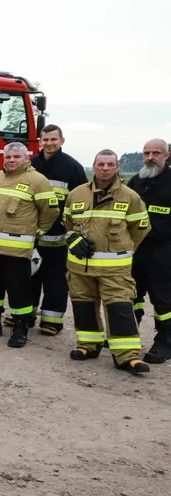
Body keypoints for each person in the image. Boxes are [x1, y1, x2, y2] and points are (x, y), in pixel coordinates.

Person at [63, 150, 150, 374]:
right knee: (83, 306)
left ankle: (127, 356)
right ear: (93, 166)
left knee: (120, 309)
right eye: (100, 164)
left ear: (117, 167)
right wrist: (72, 238)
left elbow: (139, 231)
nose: (104, 168)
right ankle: (88, 346)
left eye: (110, 164)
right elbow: (68, 223)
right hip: (80, 267)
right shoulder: (76, 194)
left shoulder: (130, 197)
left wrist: (122, 251)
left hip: (115, 270)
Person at [0, 142, 58, 347]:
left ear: (27, 158)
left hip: (18, 249)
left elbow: (51, 212)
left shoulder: (38, 180)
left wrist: (37, 232)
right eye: (8, 157)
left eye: (16, 157)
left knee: (19, 291)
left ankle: (20, 327)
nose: (11, 160)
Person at [27, 124, 88, 335]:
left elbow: (82, 201)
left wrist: (75, 230)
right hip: (31, 234)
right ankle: (26, 315)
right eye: (45, 140)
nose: (49, 143)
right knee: (28, 277)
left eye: (53, 139)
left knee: (55, 280)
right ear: (40, 141)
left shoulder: (73, 167)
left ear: (62, 141)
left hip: (58, 236)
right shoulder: (31, 164)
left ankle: (51, 321)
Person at [127, 139, 171, 364]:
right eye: (146, 153)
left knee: (163, 301)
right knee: (131, 295)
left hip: (162, 252)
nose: (150, 157)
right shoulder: (136, 181)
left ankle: (164, 341)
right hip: (135, 251)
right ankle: (129, 335)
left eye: (156, 153)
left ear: (167, 155)